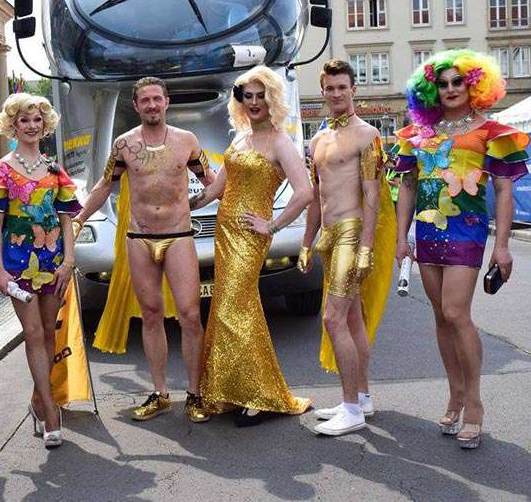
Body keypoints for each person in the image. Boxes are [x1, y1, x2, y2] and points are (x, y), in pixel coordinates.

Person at [394, 49, 529, 449]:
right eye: (443, 83)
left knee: (457, 313)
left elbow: (504, 192)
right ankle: (454, 393)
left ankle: (474, 404)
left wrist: (501, 247)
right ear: (431, 90)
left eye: (458, 81)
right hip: (428, 232)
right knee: (440, 317)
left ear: (474, 85)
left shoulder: (491, 132)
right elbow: (407, 187)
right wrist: (402, 239)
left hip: (467, 231)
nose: (451, 89)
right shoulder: (418, 134)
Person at [74, 77, 215, 423]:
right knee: (150, 315)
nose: (151, 105)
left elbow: (213, 180)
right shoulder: (124, 144)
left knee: (190, 315)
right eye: (145, 100)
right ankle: (160, 392)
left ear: (167, 102)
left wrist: (209, 202)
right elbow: (105, 185)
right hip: (139, 239)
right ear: (136, 106)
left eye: (157, 99)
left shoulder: (187, 142)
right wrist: (77, 219)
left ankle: (195, 394)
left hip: (179, 235)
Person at [192, 66, 313, 427]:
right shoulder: (241, 139)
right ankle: (235, 390)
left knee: (233, 306)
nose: (256, 102)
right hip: (224, 231)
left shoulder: (280, 141)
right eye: (249, 96)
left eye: (262, 95)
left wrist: (272, 224)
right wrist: (182, 205)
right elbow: (216, 190)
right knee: (232, 308)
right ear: (241, 101)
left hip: (250, 235)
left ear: (272, 99)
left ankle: (256, 395)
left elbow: (305, 192)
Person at [0, 93, 80, 448]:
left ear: (44, 125)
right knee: (33, 333)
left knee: (49, 332)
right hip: (18, 265)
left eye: (37, 120)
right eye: (24, 121)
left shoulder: (54, 170)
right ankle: (50, 413)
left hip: (52, 262)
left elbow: (66, 220)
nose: (32, 126)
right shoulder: (1, 171)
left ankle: (37, 400)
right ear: (13, 126)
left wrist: (69, 260)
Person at [298, 59, 389, 436]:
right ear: (322, 92)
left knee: (333, 319)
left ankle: (351, 409)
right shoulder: (318, 140)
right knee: (351, 319)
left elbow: (372, 196)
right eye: (329, 88)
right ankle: (361, 397)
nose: (336, 94)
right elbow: (316, 197)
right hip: (329, 235)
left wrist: (367, 246)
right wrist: (306, 242)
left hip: (353, 233)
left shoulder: (368, 135)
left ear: (354, 90)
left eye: (342, 87)